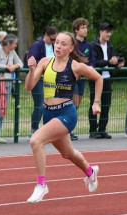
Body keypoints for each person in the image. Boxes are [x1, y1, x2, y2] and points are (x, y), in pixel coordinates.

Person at [24, 31, 103, 203]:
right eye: (56, 42)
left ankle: (41, 185)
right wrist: (31, 70)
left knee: (35, 141)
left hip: (66, 113)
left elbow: (98, 78)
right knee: (68, 153)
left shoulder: (75, 66)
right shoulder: (45, 62)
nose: (58, 46)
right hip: (48, 113)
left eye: (63, 44)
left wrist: (95, 102)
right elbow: (29, 87)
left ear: (71, 48)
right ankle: (90, 172)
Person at [89, 22, 124, 139]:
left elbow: (112, 59)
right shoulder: (93, 45)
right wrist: (109, 62)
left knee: (106, 104)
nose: (108, 33)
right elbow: (96, 62)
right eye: (106, 31)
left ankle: (102, 128)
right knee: (94, 103)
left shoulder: (110, 45)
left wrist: (118, 63)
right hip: (95, 78)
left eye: (110, 31)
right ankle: (93, 130)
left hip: (107, 78)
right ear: (100, 31)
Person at [27, 25, 58, 138]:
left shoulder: (55, 46)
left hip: (51, 78)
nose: (54, 42)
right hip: (38, 79)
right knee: (39, 104)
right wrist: (46, 63)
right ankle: (34, 130)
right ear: (46, 35)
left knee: (52, 103)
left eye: (56, 40)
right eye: (52, 39)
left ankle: (49, 129)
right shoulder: (37, 45)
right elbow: (31, 60)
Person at [70, 18, 95, 141]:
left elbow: (92, 61)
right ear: (76, 30)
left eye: (86, 27)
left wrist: (89, 70)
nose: (85, 30)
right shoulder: (72, 44)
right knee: (72, 104)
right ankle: (66, 131)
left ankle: (69, 130)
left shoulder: (88, 45)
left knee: (77, 105)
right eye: (83, 28)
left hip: (83, 78)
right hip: (72, 77)